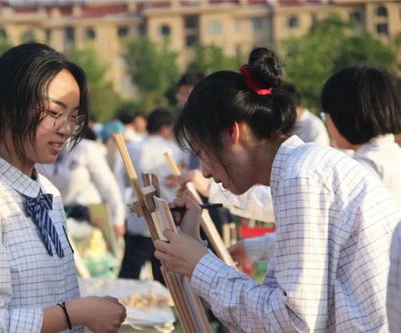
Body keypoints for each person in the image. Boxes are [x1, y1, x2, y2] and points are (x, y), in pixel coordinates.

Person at [153, 47, 400, 332]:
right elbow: (280, 302)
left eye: (202, 152)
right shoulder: (301, 168)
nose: (205, 171)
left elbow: (294, 323)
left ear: (233, 133)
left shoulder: (301, 176)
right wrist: (199, 250)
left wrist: (200, 265)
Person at [0, 43, 126, 333]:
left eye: (73, 116)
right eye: (55, 112)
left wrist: (84, 311)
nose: (66, 129)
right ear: (9, 108)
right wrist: (76, 312)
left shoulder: (46, 192)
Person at [118, 108, 188, 284]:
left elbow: (124, 181)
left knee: (130, 273)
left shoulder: (132, 148)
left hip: (139, 219)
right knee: (166, 278)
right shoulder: (173, 149)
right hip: (166, 219)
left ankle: (122, 307)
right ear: (166, 129)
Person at [321, 65, 401, 204]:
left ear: (345, 116)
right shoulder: (393, 153)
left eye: (326, 115)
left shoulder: (364, 167)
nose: (326, 123)